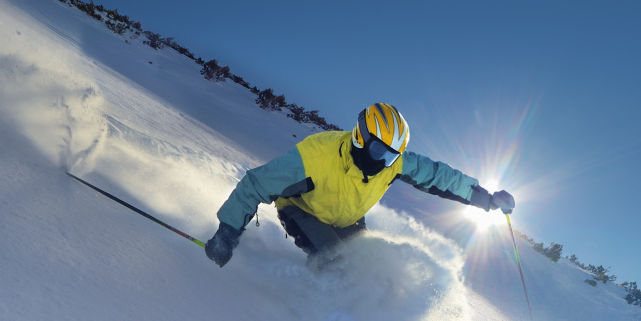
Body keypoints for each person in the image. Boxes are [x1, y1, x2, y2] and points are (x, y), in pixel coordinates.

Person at [204, 103, 515, 267]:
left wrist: (484, 198)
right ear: (360, 136)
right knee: (335, 261)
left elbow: (437, 175)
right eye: (379, 151)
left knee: (365, 265)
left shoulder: (392, 165)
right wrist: (226, 234)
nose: (383, 162)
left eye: (393, 155)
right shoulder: (315, 155)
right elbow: (257, 182)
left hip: (348, 217)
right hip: (303, 210)